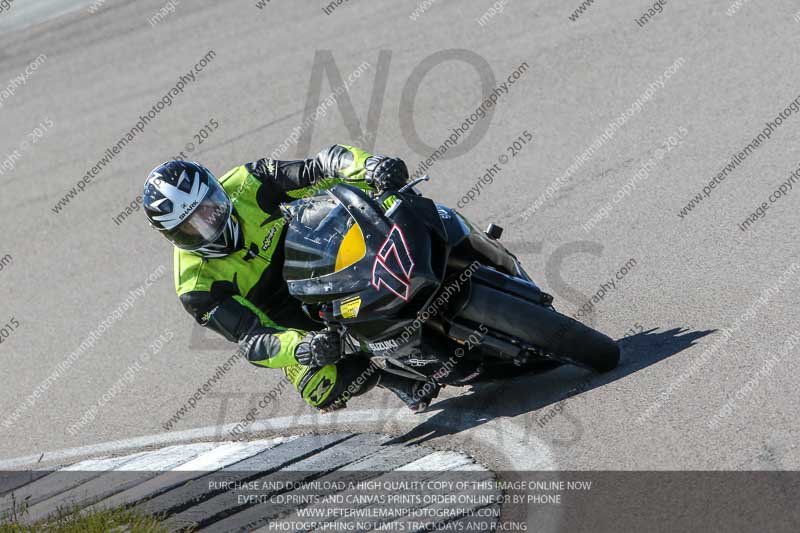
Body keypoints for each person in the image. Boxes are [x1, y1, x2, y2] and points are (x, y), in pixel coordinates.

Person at [142, 145, 439, 413]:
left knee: (392, 201)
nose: (209, 222)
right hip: (281, 315)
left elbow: (320, 168)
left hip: (318, 253)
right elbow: (253, 339)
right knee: (320, 384)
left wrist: (371, 167)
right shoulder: (195, 286)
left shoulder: (249, 181)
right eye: (193, 226)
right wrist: (302, 348)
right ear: (175, 237)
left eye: (209, 206)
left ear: (217, 189)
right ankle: (392, 377)